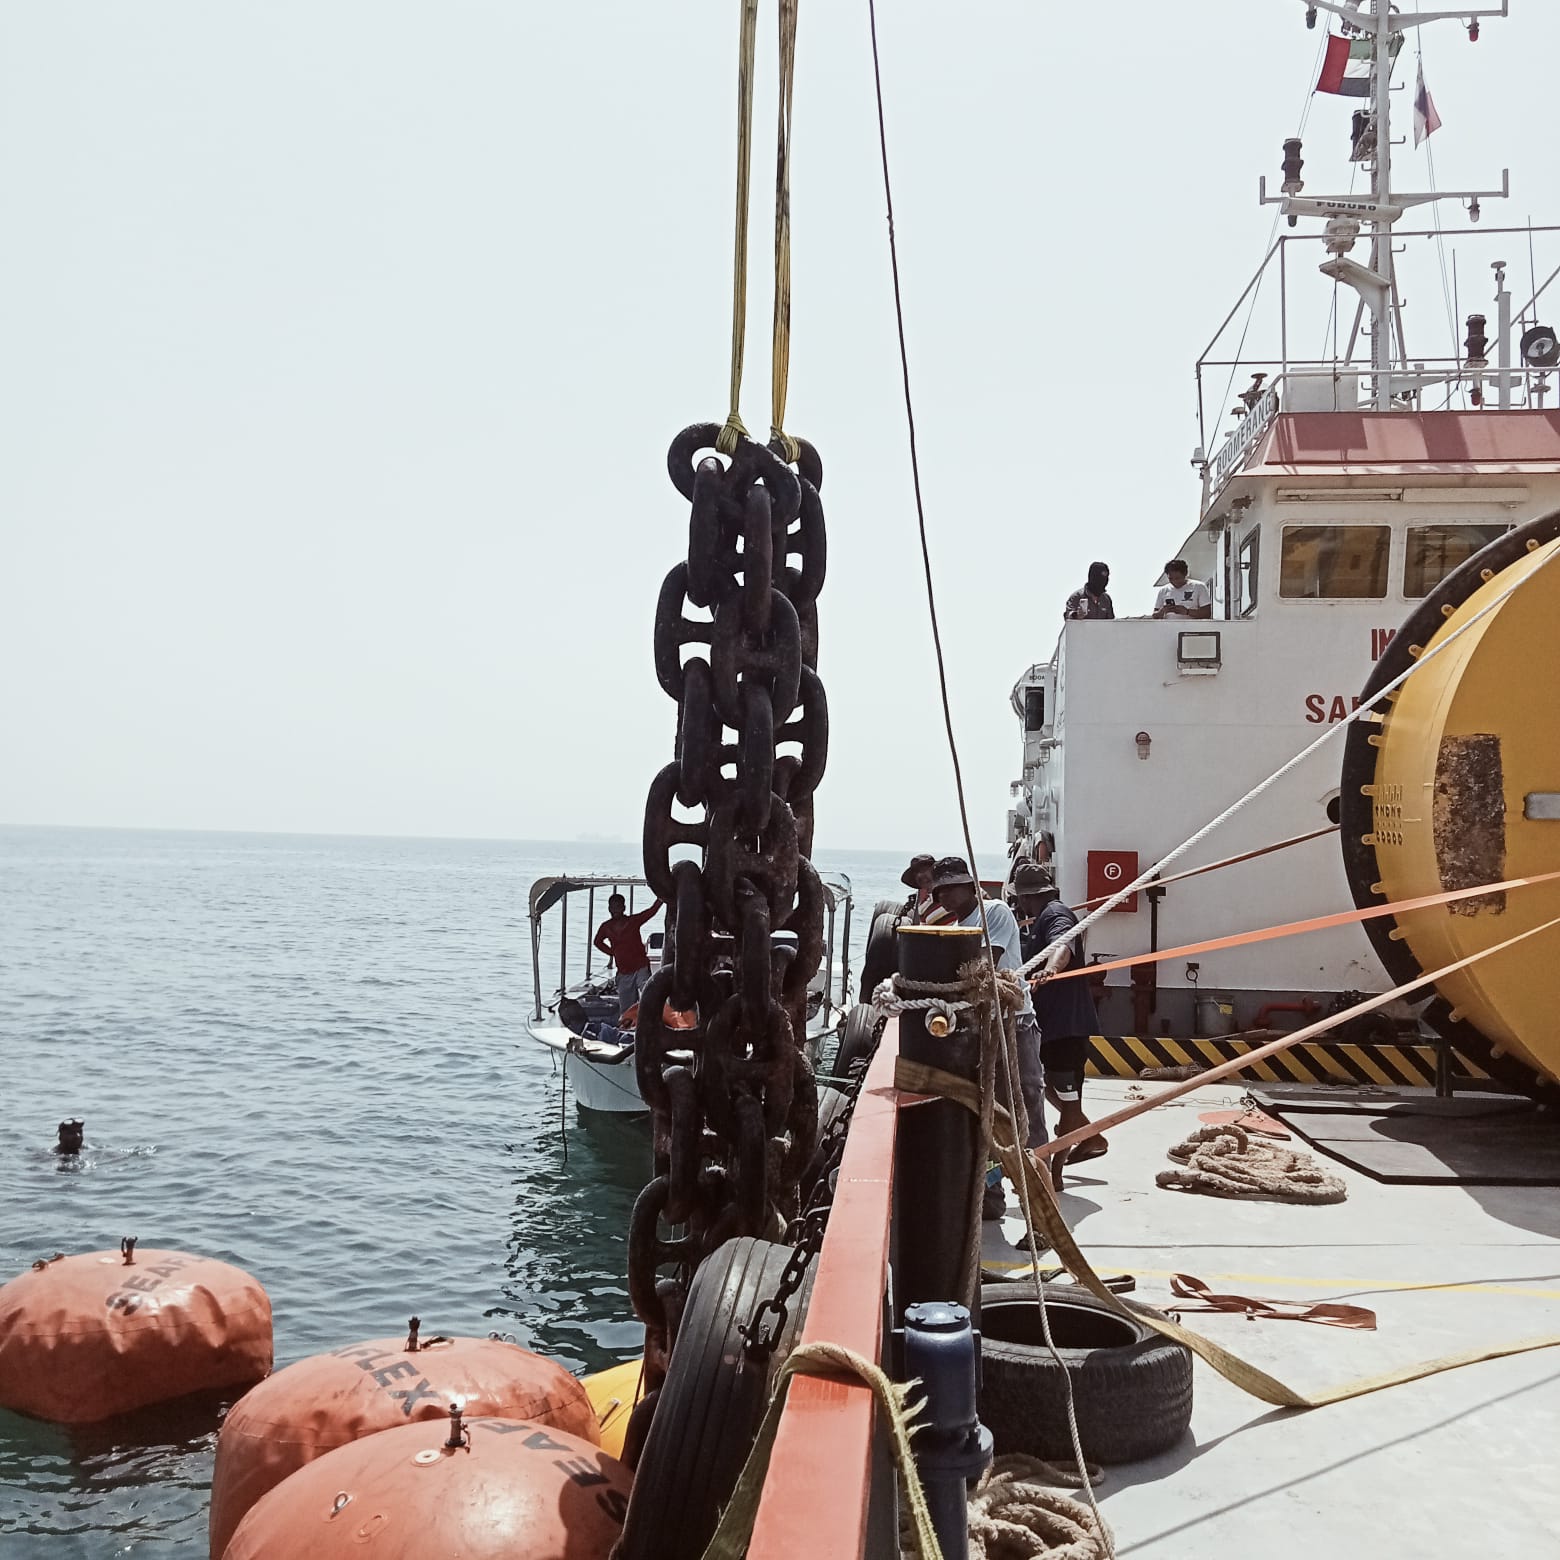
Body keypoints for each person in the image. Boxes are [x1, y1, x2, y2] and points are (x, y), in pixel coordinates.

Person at [928, 856, 1048, 1217]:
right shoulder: (957, 927)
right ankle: (991, 1196)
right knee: (986, 1114)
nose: (945, 897)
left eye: (952, 888)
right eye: (940, 891)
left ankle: (1040, 1197)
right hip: (982, 1028)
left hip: (1015, 1025)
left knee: (1026, 1105)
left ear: (971, 886)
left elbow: (983, 966)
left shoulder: (994, 912)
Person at [1014, 862, 1106, 1188]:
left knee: (1068, 1102)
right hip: (1051, 1027)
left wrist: (1051, 969)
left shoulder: (1055, 914)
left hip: (1066, 1028)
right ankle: (1091, 1136)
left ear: (1025, 897)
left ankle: (1055, 1174)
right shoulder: (1042, 917)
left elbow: (1062, 944)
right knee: (1047, 1087)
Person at [593, 892, 663, 1016]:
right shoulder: (606, 927)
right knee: (626, 1009)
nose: (615, 910)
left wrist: (661, 899)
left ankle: (653, 1018)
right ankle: (629, 1024)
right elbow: (597, 942)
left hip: (640, 967)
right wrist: (612, 953)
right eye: (612, 907)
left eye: (618, 907)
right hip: (624, 972)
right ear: (609, 908)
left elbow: (650, 912)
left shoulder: (633, 921)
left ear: (623, 908)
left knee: (648, 994)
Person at [899, 853, 949, 925]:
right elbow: (923, 929)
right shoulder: (923, 906)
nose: (920, 875)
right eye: (916, 873)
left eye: (924, 870)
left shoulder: (951, 893)